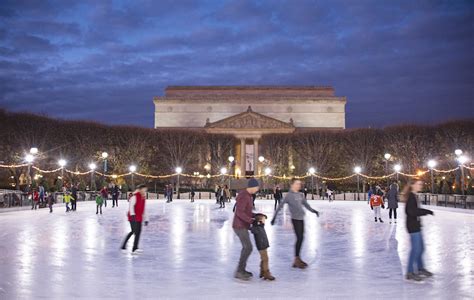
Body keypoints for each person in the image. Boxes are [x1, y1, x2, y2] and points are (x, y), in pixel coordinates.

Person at [271, 178, 320, 268]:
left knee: (301, 238)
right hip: (295, 219)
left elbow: (306, 205)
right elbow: (280, 206)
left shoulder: (301, 195)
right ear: (292, 185)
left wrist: (314, 211)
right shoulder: (289, 195)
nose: (299, 185)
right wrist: (274, 218)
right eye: (297, 184)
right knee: (300, 238)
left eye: (299, 184)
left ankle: (297, 259)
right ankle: (297, 259)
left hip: (301, 218)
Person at [404, 180, 434, 282]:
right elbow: (410, 211)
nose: (421, 185)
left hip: (416, 225)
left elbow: (413, 211)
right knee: (416, 249)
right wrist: (426, 211)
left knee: (421, 248)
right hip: (413, 226)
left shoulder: (414, 196)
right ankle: (409, 272)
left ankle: (420, 269)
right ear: (413, 185)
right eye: (419, 184)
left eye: (421, 184)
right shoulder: (411, 197)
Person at [232, 178, 259, 280]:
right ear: (252, 187)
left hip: (242, 225)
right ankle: (239, 271)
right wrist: (252, 221)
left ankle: (241, 269)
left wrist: (256, 216)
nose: (257, 189)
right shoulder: (244, 196)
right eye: (256, 187)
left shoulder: (248, 196)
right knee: (248, 247)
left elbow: (246, 212)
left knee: (247, 247)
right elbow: (239, 212)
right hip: (239, 226)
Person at [121, 184, 149, 253]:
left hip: (139, 217)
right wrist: (133, 215)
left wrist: (146, 219)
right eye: (143, 190)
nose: (144, 191)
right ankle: (123, 246)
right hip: (132, 217)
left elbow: (144, 209)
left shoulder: (143, 197)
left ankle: (135, 248)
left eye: (145, 190)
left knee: (138, 232)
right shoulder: (135, 196)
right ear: (139, 189)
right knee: (133, 231)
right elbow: (131, 206)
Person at [250, 213, 275, 281]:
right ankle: (266, 273)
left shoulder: (261, 226)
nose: (264, 221)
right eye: (263, 219)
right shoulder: (256, 227)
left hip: (264, 244)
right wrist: (255, 223)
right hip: (261, 245)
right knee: (265, 259)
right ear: (259, 220)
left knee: (263, 259)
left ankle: (262, 271)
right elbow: (252, 229)